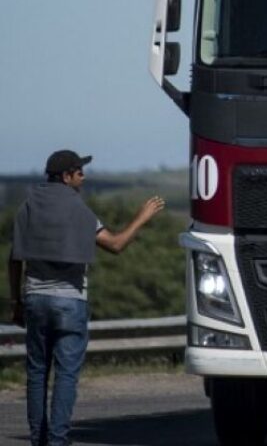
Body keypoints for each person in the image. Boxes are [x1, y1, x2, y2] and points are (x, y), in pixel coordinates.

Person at [7, 150, 165, 446]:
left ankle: (38, 440)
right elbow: (115, 244)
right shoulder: (80, 212)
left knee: (37, 373)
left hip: (35, 301)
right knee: (66, 376)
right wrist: (141, 218)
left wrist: (15, 302)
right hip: (70, 302)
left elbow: (14, 259)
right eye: (79, 172)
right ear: (66, 177)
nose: (84, 176)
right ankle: (57, 441)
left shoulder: (28, 207)